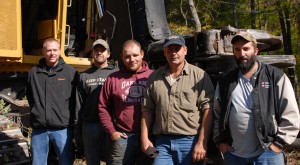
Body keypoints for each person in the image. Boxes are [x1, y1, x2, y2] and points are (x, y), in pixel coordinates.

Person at [213, 31, 300, 165]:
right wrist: (220, 142)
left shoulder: (275, 76)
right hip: (234, 154)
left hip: (268, 154)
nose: (242, 54)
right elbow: (217, 114)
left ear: (256, 50)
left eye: (246, 49)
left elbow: (290, 113)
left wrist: (279, 143)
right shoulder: (225, 82)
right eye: (237, 49)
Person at [141, 34, 215, 165]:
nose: (173, 53)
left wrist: (202, 142)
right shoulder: (154, 77)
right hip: (162, 144)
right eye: (170, 49)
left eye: (177, 49)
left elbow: (208, 110)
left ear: (185, 50)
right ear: (165, 52)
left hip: (190, 142)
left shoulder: (199, 76)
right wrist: (145, 138)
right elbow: (147, 110)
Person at [98, 39, 153, 164]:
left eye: (135, 55)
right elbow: (103, 107)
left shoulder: (152, 76)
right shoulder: (113, 79)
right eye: (127, 56)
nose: (132, 59)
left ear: (142, 54)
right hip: (123, 137)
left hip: (149, 137)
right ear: (122, 57)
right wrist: (112, 132)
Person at [26, 38, 78, 165]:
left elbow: (75, 100)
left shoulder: (70, 72)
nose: (52, 53)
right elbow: (30, 96)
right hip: (40, 129)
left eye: (55, 50)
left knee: (65, 162)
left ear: (60, 51)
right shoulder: (33, 73)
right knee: (38, 162)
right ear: (43, 52)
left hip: (62, 129)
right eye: (48, 50)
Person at [76, 39, 118, 164]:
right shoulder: (83, 76)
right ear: (92, 53)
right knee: (92, 161)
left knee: (113, 160)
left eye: (102, 50)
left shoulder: (116, 74)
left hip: (111, 125)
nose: (99, 53)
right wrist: (78, 130)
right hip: (90, 126)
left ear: (108, 54)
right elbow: (79, 104)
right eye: (96, 50)